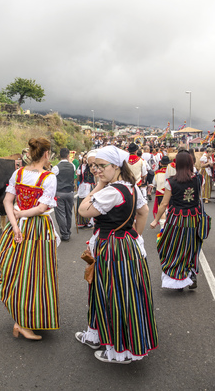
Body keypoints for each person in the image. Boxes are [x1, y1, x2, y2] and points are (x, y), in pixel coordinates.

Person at [75, 146, 158, 364]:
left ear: (116, 166)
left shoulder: (111, 190)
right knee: (111, 291)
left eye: (102, 166)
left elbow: (83, 211)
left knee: (115, 294)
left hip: (112, 247)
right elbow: (143, 212)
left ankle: (120, 351)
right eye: (95, 166)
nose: (97, 170)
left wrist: (99, 185)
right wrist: (132, 236)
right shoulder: (131, 187)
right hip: (123, 244)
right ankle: (97, 334)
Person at [0, 137, 60, 340]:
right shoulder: (48, 177)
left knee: (18, 272)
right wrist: (21, 216)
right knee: (37, 275)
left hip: (17, 227)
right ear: (47, 154)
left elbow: (7, 201)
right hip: (38, 228)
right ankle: (24, 322)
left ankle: (21, 320)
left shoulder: (19, 173)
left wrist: (14, 225)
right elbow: (41, 208)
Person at [150, 151, 204, 291]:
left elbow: (164, 204)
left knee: (173, 246)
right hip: (193, 218)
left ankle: (177, 277)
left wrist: (156, 220)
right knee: (191, 247)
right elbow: (198, 198)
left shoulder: (171, 182)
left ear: (177, 164)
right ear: (191, 163)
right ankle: (191, 275)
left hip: (176, 219)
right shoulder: (199, 179)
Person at [52, 147, 75, 241]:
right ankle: (68, 230)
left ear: (59, 156)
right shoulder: (72, 166)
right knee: (68, 213)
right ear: (68, 155)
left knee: (61, 214)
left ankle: (65, 234)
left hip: (59, 193)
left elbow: (52, 181)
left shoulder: (56, 168)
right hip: (70, 192)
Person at [76, 153, 95, 228]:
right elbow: (78, 177)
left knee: (89, 202)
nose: (85, 159)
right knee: (81, 201)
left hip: (89, 185)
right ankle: (82, 221)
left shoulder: (91, 167)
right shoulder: (80, 167)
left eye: (86, 158)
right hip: (82, 186)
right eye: (84, 157)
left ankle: (90, 221)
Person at [152, 155, 170, 229]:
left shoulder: (157, 173)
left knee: (162, 208)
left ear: (161, 163)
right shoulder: (171, 172)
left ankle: (163, 226)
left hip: (160, 193)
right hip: (169, 192)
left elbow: (154, 183)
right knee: (170, 207)